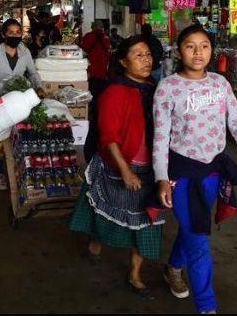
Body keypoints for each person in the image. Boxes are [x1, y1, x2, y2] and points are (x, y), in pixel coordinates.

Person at [153, 24, 237, 314]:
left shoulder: (220, 83)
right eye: (190, 46)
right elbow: (159, 136)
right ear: (179, 51)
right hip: (181, 174)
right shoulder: (168, 87)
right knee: (199, 238)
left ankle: (173, 268)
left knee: (194, 226)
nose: (198, 52)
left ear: (211, 50)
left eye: (204, 45)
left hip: (212, 171)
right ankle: (207, 306)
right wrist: (161, 178)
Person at [69, 36, 165, 294]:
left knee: (147, 222)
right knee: (107, 213)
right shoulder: (114, 92)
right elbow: (108, 137)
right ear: (123, 61)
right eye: (138, 55)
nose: (146, 60)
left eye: (148, 54)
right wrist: (125, 170)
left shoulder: (156, 88)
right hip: (120, 165)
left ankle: (134, 273)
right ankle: (96, 242)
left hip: (151, 168)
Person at [0, 19, 47, 190]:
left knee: (20, 138)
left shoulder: (25, 53)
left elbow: (33, 73)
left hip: (21, 103)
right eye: (11, 32)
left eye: (18, 32)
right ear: (3, 34)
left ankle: (19, 172)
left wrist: (38, 86)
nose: (15, 35)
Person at [80, 20, 112, 164]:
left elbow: (82, 52)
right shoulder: (106, 38)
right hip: (103, 75)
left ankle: (92, 112)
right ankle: (98, 111)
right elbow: (110, 53)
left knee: (92, 97)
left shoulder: (88, 37)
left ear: (93, 27)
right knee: (100, 97)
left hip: (91, 74)